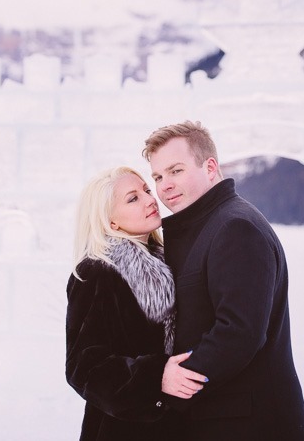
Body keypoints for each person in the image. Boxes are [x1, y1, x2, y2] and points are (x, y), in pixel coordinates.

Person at [143, 120, 304, 441]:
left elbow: (239, 332)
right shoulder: (206, 226)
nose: (164, 185)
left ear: (210, 167)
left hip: (250, 424)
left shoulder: (235, 227)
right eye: (158, 176)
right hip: (221, 418)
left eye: (176, 170)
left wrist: (171, 384)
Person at [65, 166, 208, 441]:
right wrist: (156, 377)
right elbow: (83, 367)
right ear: (111, 222)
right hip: (121, 430)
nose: (149, 199)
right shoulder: (96, 272)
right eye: (133, 199)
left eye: (145, 190)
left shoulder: (171, 262)